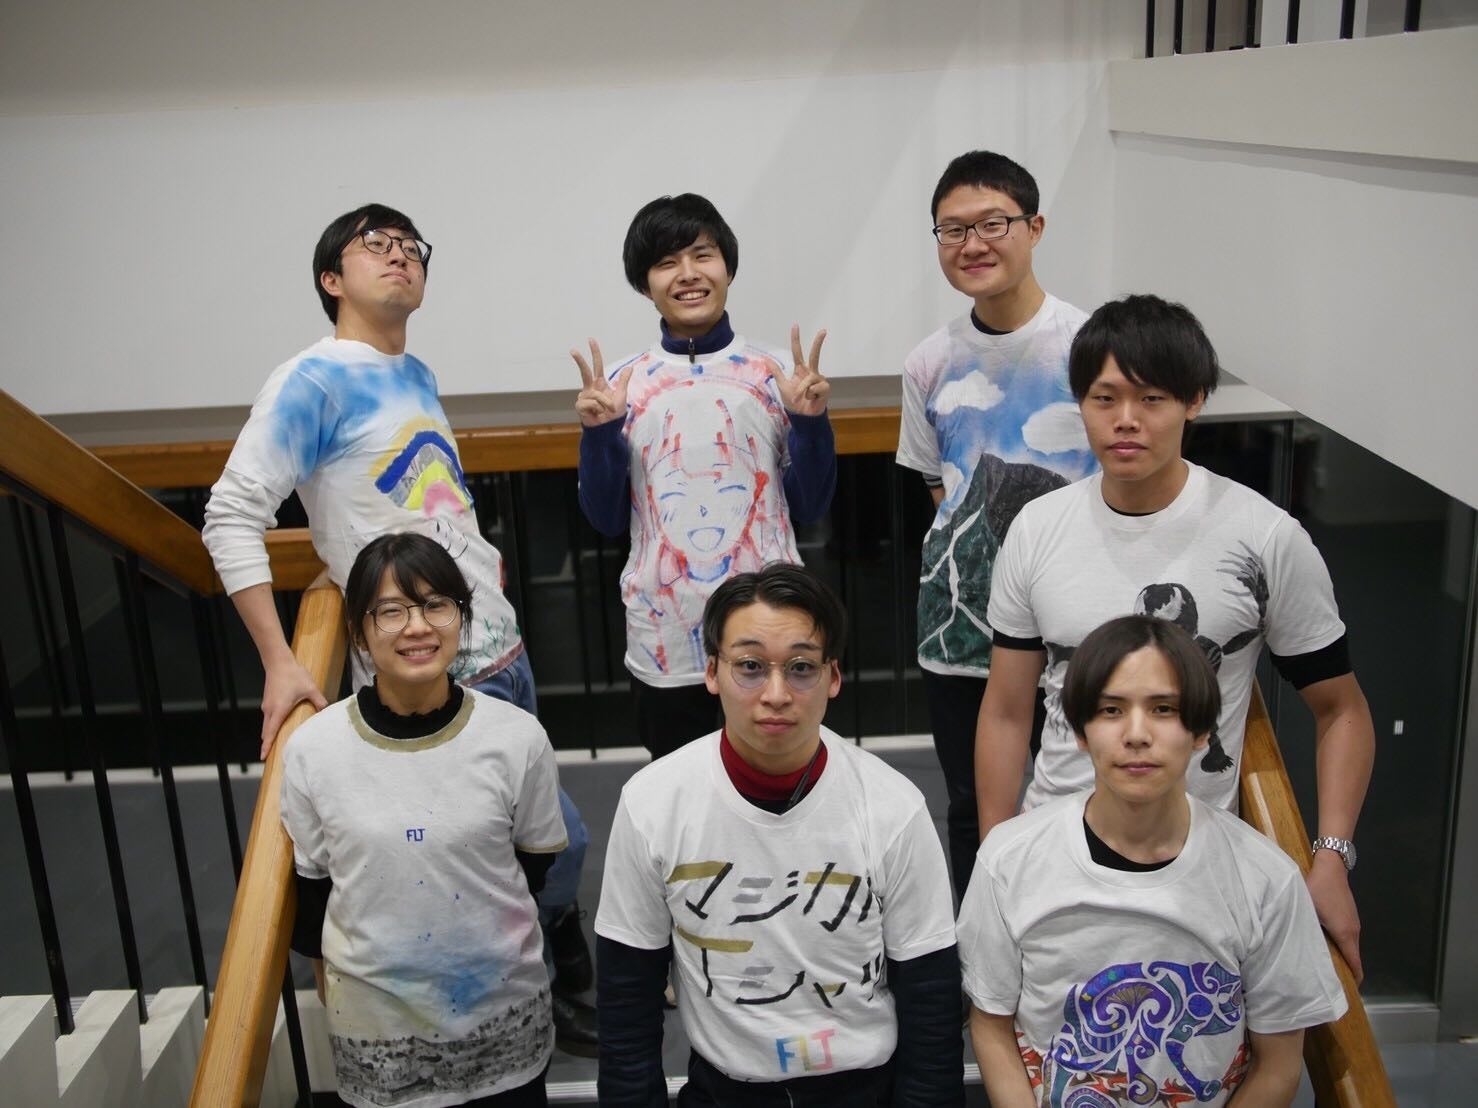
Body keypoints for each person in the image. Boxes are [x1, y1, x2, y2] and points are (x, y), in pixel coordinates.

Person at [201, 203, 597, 1051]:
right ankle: (541, 983)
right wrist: (278, 659)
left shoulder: (412, 372)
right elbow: (230, 515)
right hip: (423, 668)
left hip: (499, 649)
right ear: (331, 278)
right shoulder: (313, 379)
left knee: (534, 833)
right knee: (532, 848)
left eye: (411, 246)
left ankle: (547, 970)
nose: (399, 256)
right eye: (374, 245)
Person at [976, 293, 1375, 980]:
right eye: (1104, 398)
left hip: (1198, 861)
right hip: (1056, 853)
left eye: (1152, 398)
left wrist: (1332, 858)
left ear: (1194, 401)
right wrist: (996, 850)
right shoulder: (1037, 531)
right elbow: (1007, 711)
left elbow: (1341, 708)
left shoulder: (1263, 538)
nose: (1126, 420)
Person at [594, 563, 963, 1106]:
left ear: (833, 677)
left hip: (865, 1089)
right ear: (712, 672)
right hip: (724, 1093)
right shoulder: (653, 802)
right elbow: (627, 1004)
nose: (776, 693)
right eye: (749, 666)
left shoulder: (893, 806)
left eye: (801, 668)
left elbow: (931, 1003)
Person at [958, 615, 1347, 1106]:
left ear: (1201, 731)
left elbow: (1278, 1065)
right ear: (1080, 731)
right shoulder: (1009, 861)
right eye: (1111, 710)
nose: (1137, 734)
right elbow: (991, 1027)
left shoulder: (1267, 880)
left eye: (1164, 709)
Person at [281, 532, 568, 1107]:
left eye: (437, 605)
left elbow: (533, 867)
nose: (417, 626)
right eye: (391, 611)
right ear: (358, 632)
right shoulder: (315, 750)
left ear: (461, 618)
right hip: (379, 1037)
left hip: (503, 1026)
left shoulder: (517, 738)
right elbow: (313, 892)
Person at [894, 151, 1097, 899]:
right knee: (972, 806)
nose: (972, 244)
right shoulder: (929, 362)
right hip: (963, 634)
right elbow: (935, 484)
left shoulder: (1091, 345)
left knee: (1085, 800)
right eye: (953, 230)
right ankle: (980, 948)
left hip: (1079, 625)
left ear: (1034, 228)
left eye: (992, 224)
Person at [573, 193, 837, 760]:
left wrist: (810, 424)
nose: (688, 274)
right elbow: (606, 518)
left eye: (702, 255)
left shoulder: (774, 374)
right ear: (644, 283)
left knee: (781, 784)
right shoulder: (621, 384)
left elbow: (811, 506)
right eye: (667, 262)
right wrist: (599, 434)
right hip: (664, 640)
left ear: (728, 267)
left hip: (771, 636)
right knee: (680, 797)